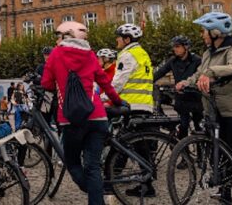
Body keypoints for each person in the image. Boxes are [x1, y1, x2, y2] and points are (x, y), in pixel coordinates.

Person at [176, 12, 232, 204]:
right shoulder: (208, 52)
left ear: (215, 32)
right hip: (214, 110)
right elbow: (199, 73)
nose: (202, 34)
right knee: (221, 158)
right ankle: (226, 196)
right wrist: (185, 83)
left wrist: (212, 72)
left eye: (204, 31)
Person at [41, 21, 124, 205]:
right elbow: (104, 82)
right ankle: (98, 196)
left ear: (65, 36)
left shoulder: (56, 54)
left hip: (71, 119)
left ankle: (95, 190)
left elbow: (46, 83)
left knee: (72, 163)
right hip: (97, 116)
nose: (56, 40)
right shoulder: (90, 54)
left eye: (58, 36)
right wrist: (118, 101)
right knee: (93, 166)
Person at [112, 23, 155, 197]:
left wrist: (101, 97)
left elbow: (118, 83)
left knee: (121, 142)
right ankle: (146, 184)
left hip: (131, 105)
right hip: (144, 104)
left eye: (119, 37)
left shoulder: (128, 55)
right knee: (139, 146)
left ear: (127, 39)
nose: (116, 39)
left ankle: (112, 178)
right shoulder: (142, 53)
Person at [153, 36, 202, 140]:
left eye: (178, 46)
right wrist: (147, 82)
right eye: (174, 47)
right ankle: (183, 151)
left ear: (186, 47)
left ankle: (200, 152)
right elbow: (160, 72)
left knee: (199, 127)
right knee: (183, 125)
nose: (175, 49)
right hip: (181, 98)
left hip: (195, 98)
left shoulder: (196, 60)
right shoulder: (173, 61)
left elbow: (201, 75)